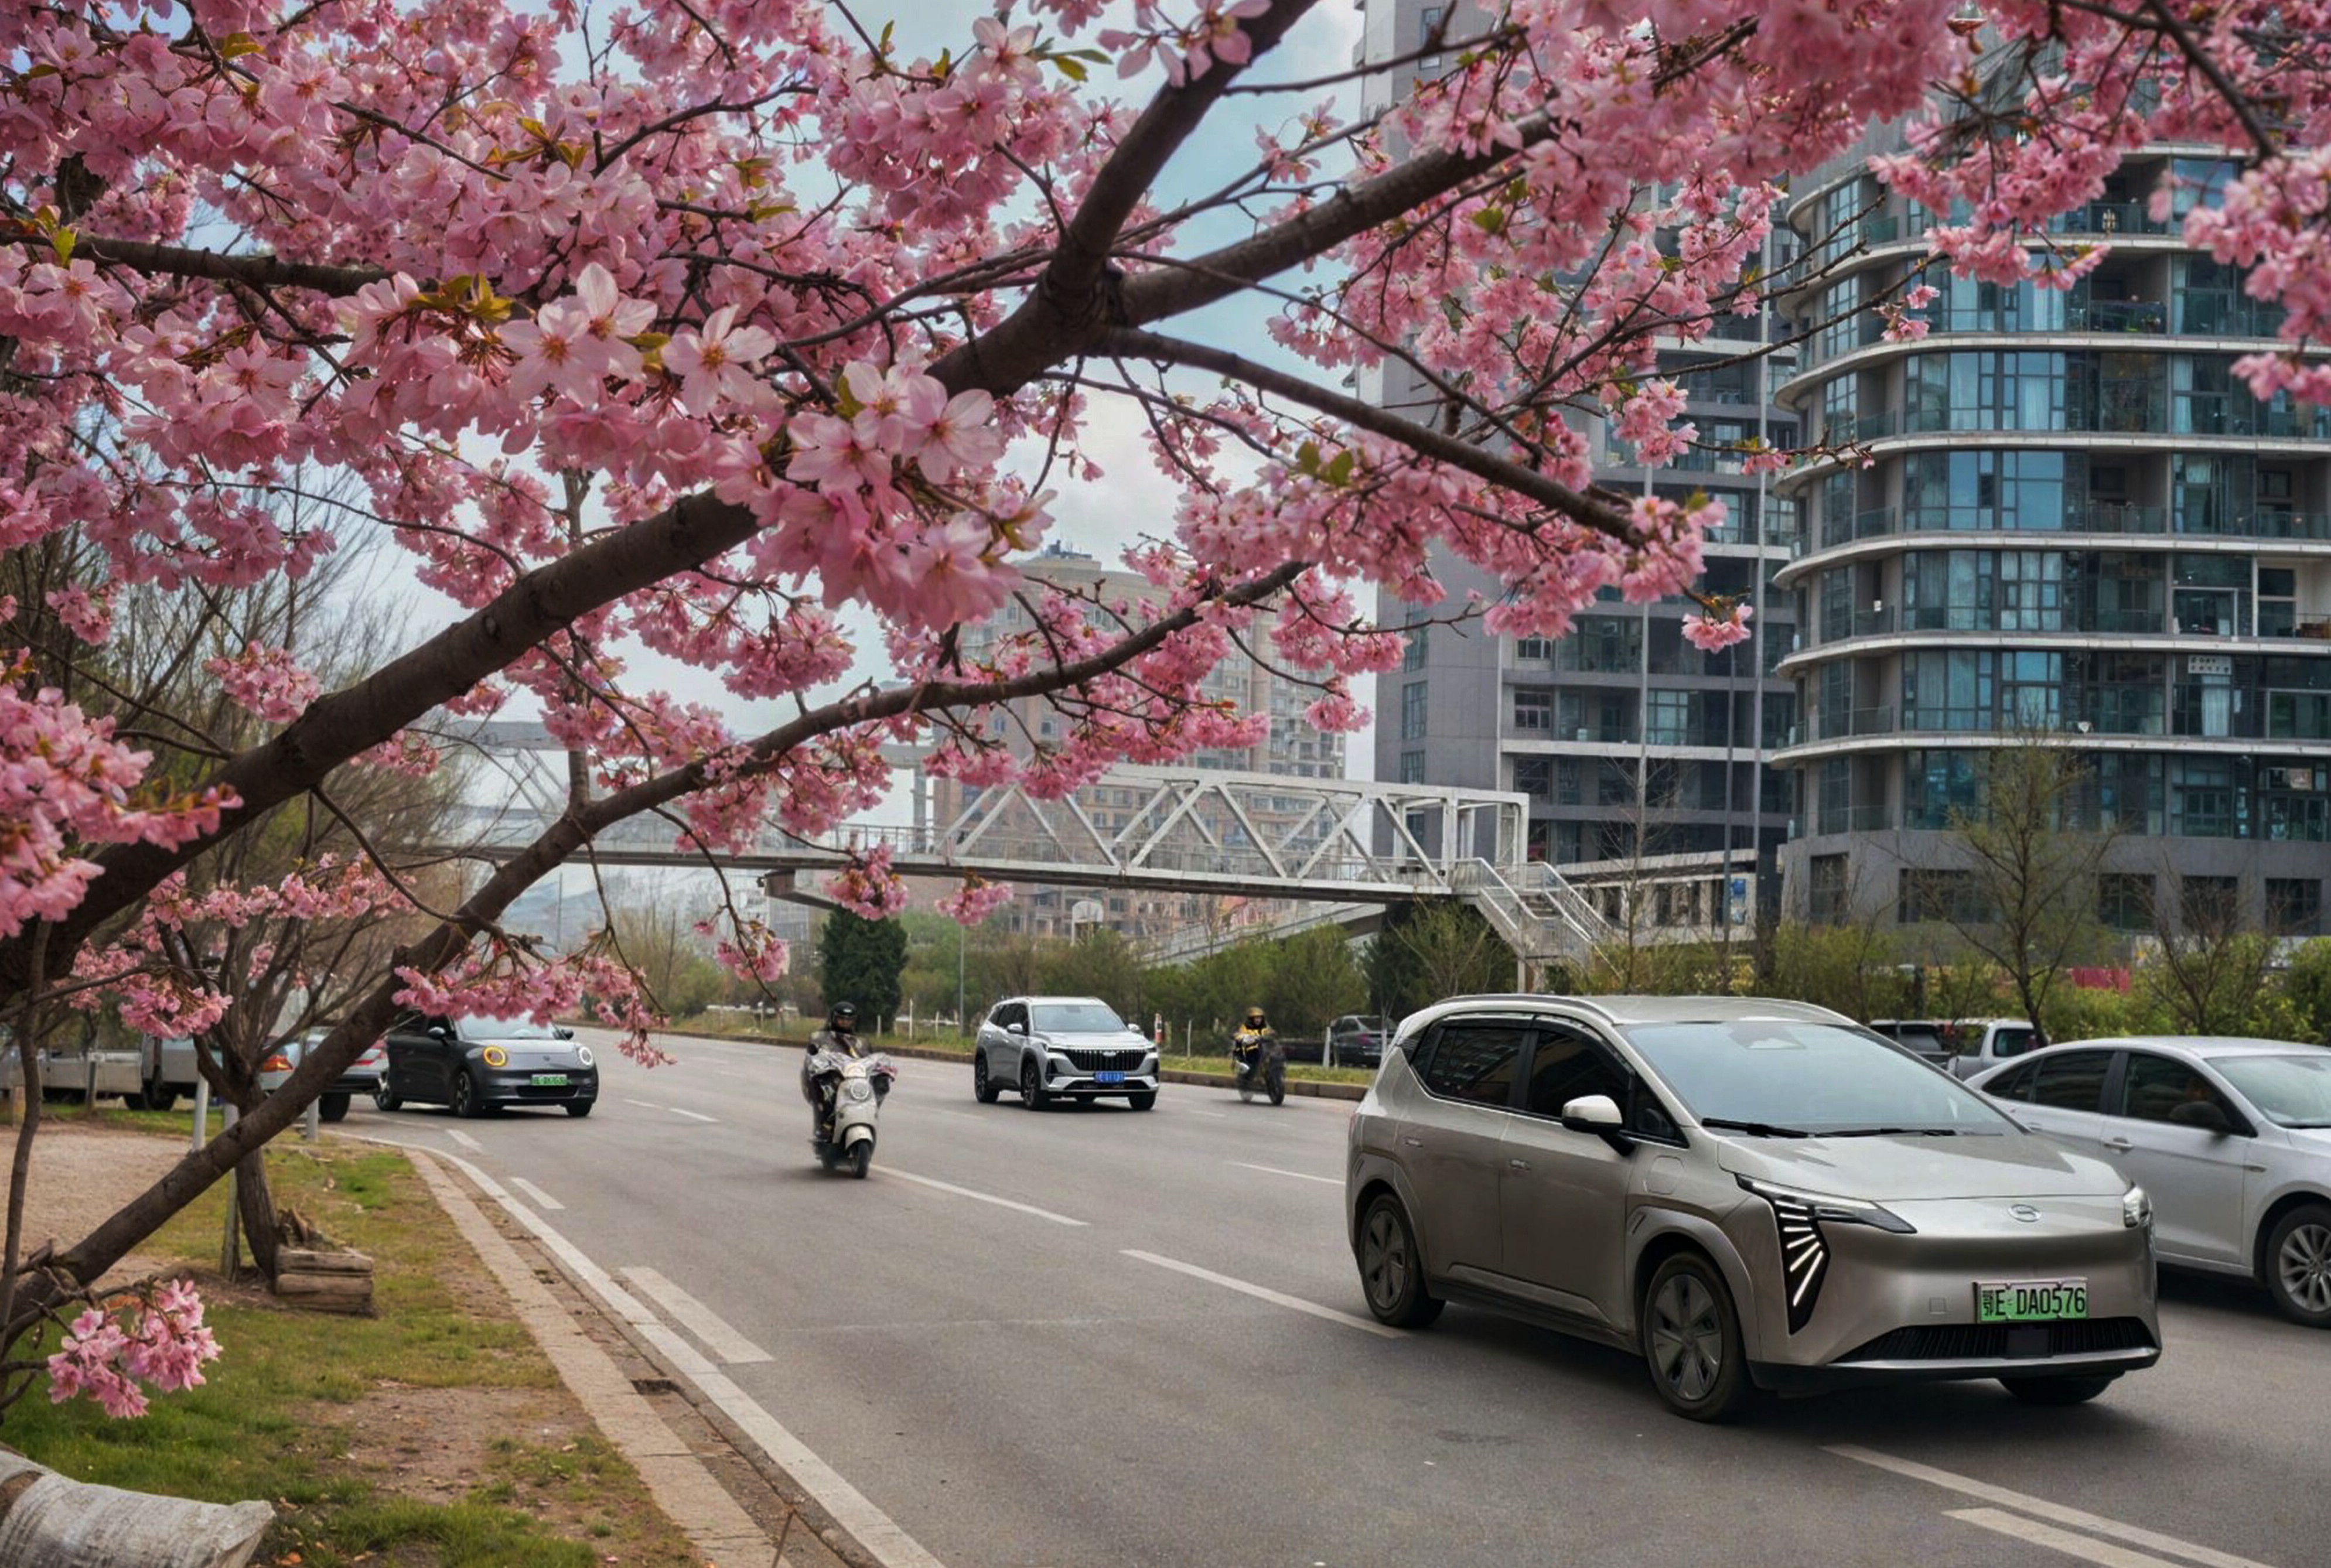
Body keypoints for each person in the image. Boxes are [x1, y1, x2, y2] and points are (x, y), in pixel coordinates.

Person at [803, 1003, 865, 1140]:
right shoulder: (822, 1037)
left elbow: (868, 1055)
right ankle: (824, 1125)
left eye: (849, 1020)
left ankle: (864, 1117)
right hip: (829, 1075)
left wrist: (880, 1066)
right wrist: (816, 1055)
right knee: (825, 1091)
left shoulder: (858, 1041)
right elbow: (813, 1056)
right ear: (834, 1019)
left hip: (852, 1076)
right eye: (842, 1019)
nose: (845, 1023)